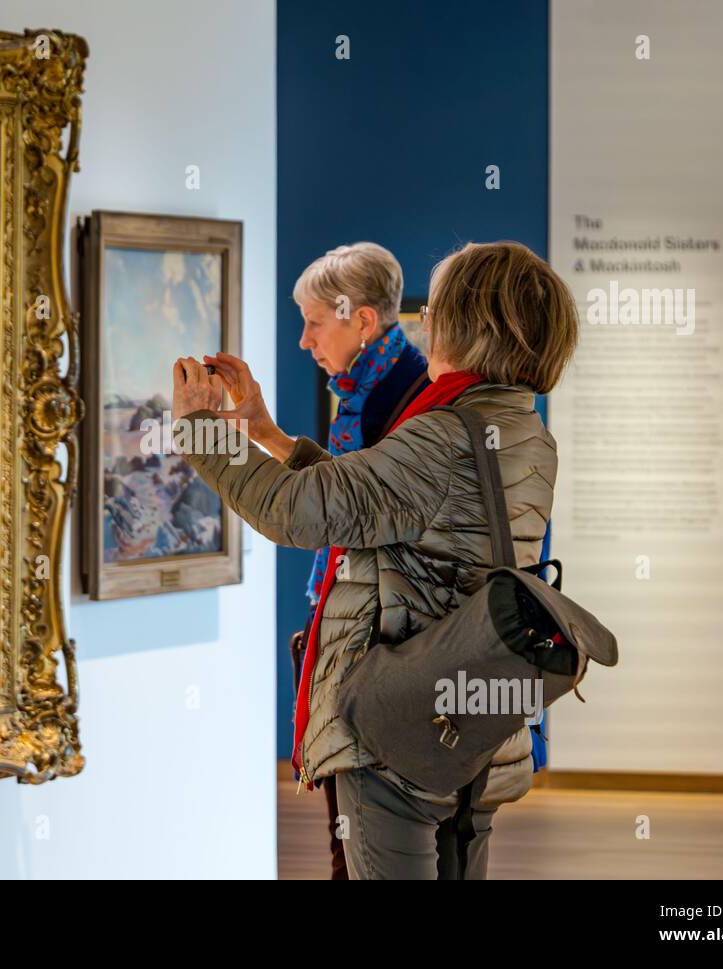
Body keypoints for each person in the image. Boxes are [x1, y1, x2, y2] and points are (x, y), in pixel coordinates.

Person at [172, 241, 578, 879]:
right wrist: (273, 436)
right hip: (467, 715)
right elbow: (386, 508)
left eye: (439, 307)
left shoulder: (443, 433)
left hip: (403, 732)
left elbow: (299, 511)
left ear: (466, 324)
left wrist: (202, 432)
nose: (427, 320)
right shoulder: (519, 425)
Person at [287, 242, 430, 879]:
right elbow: (350, 494)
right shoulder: (377, 391)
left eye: (316, 322)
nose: (304, 340)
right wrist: (265, 430)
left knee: (364, 840)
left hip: (376, 649)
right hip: (368, 636)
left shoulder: (401, 402)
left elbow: (340, 510)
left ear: (363, 321)